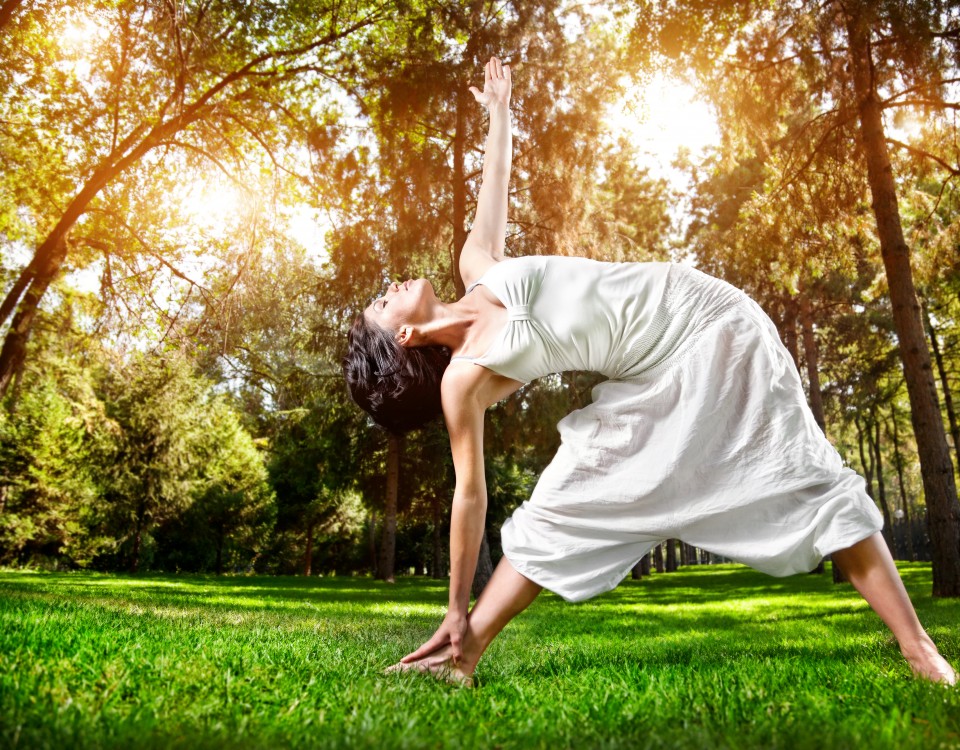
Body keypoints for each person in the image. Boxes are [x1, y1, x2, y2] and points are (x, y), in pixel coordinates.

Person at [343, 57, 957, 687]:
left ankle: (919, 648)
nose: (389, 287)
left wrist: (499, 111)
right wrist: (452, 606)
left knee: (813, 478)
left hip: (710, 321)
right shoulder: (464, 378)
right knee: (556, 508)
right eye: (382, 305)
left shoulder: (479, 264)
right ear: (403, 340)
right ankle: (462, 652)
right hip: (650, 378)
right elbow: (468, 496)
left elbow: (494, 183)